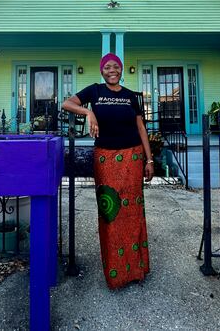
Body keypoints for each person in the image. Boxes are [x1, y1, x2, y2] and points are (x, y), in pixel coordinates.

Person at [62, 53, 154, 289]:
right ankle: (116, 274)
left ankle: (136, 269)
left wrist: (149, 159)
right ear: (102, 71)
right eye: (107, 67)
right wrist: (89, 112)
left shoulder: (131, 97)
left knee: (133, 213)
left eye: (116, 66)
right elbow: (67, 103)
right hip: (105, 158)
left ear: (121, 70)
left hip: (132, 157)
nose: (112, 70)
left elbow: (140, 127)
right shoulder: (94, 91)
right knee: (110, 213)